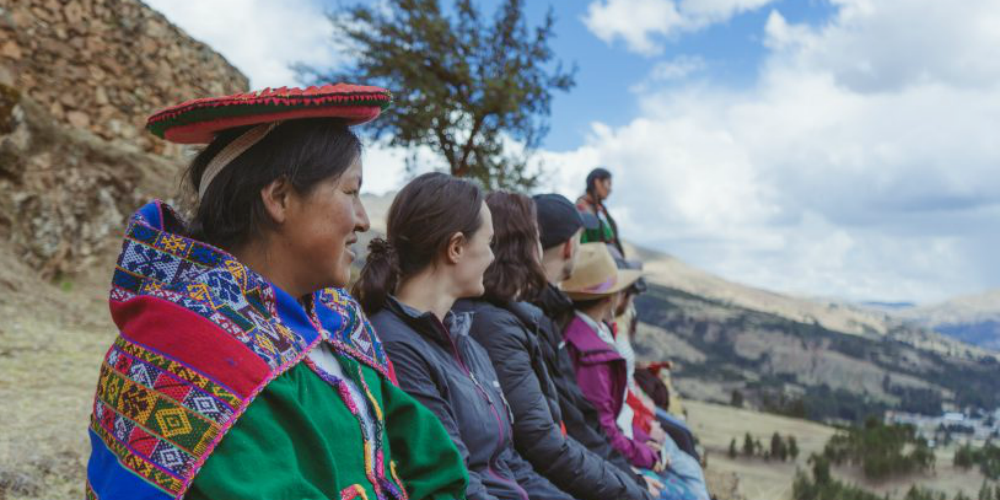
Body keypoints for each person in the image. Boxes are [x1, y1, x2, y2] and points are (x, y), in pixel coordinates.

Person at [84, 85, 469, 500]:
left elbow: (433, 463)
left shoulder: (338, 323)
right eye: (350, 192)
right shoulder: (188, 353)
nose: (361, 219)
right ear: (280, 198)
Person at [355, 173, 573, 500]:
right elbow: (456, 481)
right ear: (456, 248)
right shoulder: (396, 345)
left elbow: (507, 461)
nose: (492, 257)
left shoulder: (463, 338)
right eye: (488, 244)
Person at [451, 191, 653, 500]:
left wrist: (625, 478)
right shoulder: (504, 323)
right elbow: (545, 438)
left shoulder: (529, 317)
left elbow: (570, 421)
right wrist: (629, 486)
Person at [562, 244, 699, 500]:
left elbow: (612, 415)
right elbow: (603, 427)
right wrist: (645, 452)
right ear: (610, 296)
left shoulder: (593, 337)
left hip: (619, 448)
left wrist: (641, 440)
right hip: (612, 457)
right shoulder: (590, 353)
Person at [576, 167, 624, 258]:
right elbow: (583, 245)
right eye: (608, 184)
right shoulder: (581, 209)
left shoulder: (601, 210)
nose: (610, 189)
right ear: (597, 182)